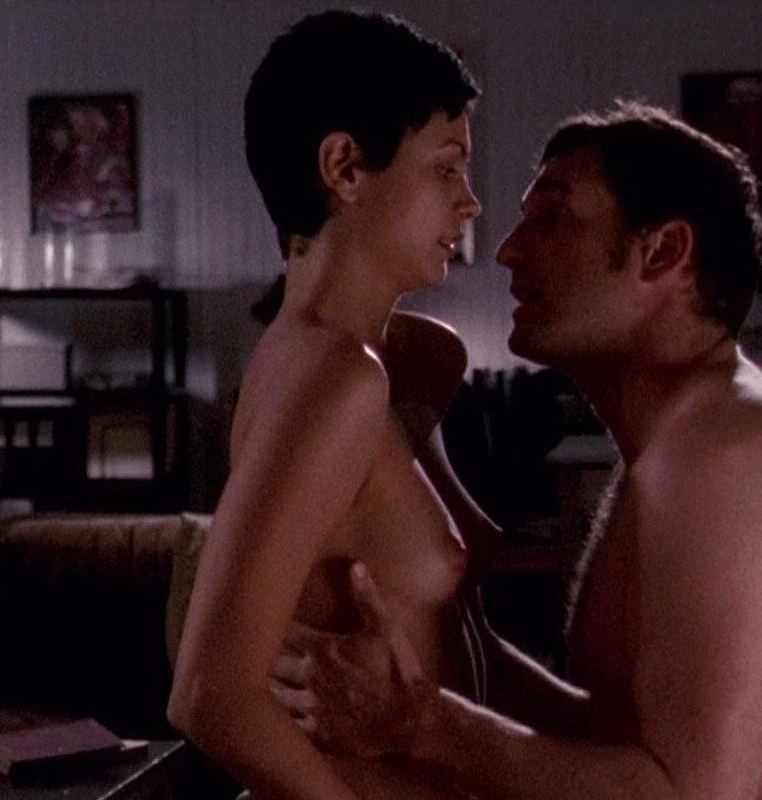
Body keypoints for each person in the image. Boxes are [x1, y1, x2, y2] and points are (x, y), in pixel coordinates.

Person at [269, 102, 762, 800]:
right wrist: (452, 659)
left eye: (550, 218)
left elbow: (682, 796)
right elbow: (615, 735)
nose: (509, 250)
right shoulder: (677, 444)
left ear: (662, 252)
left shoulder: (732, 455)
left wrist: (421, 725)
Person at [166, 10, 493, 800]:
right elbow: (209, 694)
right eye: (446, 170)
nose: (471, 203)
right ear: (344, 168)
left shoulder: (365, 361)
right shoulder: (335, 380)